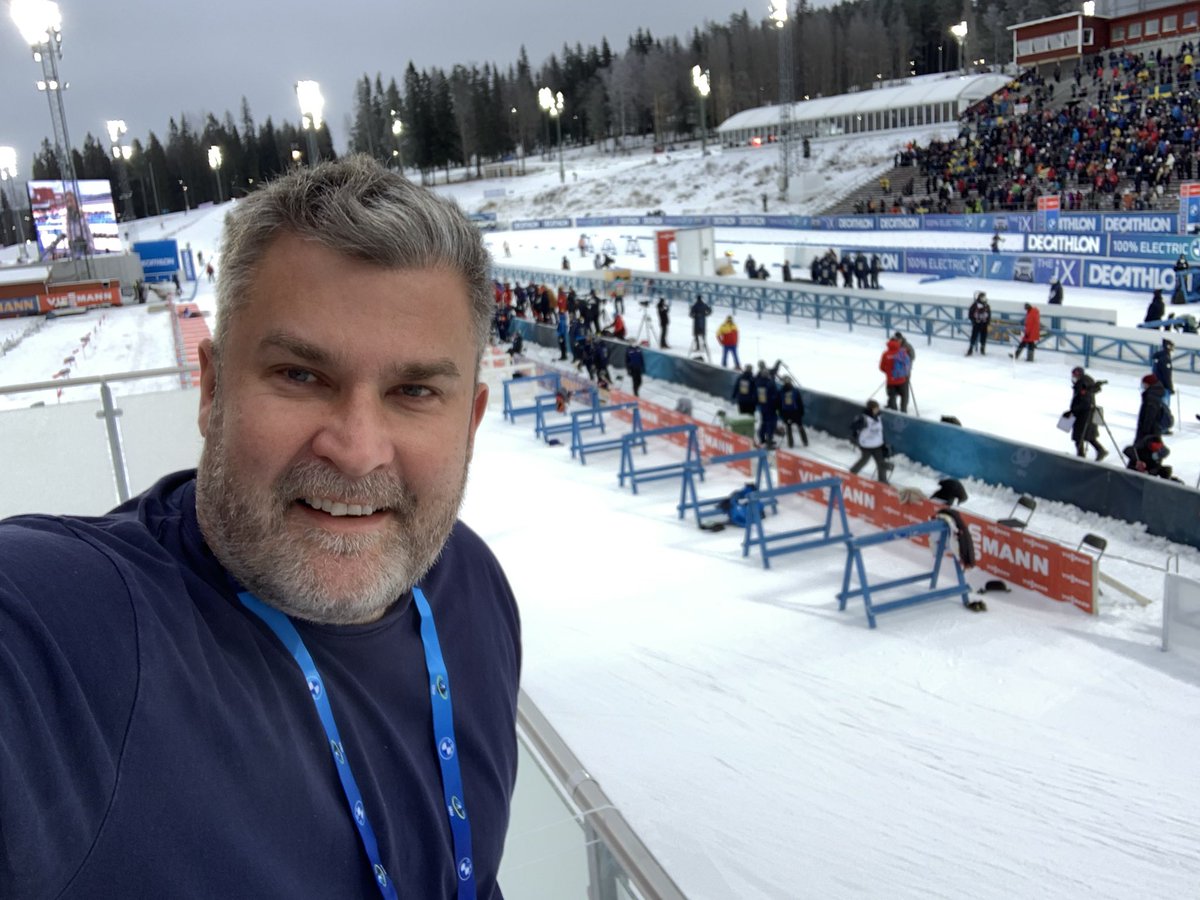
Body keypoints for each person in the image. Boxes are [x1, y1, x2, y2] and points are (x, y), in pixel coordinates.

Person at [0, 157, 521, 897]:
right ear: (213, 390)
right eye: (301, 376)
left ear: (469, 421)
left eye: (413, 390)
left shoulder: (472, 582)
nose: (357, 449)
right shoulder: (77, 631)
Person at [1066, 366, 1108, 460]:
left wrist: (1074, 410)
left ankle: (1081, 455)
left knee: (1079, 436)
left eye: (1075, 376)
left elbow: (1085, 402)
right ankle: (1099, 451)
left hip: (1083, 415)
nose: (1073, 378)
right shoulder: (1085, 383)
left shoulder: (1083, 384)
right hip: (1086, 414)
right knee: (1087, 436)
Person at [849, 399, 890, 483]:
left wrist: (883, 444)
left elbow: (880, 432)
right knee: (864, 460)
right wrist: (858, 425)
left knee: (881, 462)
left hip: (877, 444)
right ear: (871, 409)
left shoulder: (878, 417)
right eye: (876, 408)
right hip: (866, 445)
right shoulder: (864, 418)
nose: (877, 410)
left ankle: (883, 481)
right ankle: (851, 474)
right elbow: (853, 427)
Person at [879, 335, 911, 413]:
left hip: (891, 381)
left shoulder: (885, 354)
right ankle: (903, 410)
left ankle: (894, 412)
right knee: (904, 396)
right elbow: (907, 364)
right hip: (902, 380)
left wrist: (889, 372)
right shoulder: (903, 352)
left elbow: (881, 367)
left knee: (892, 397)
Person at [1135, 374, 1170, 442]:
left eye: (1144, 384)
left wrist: (1144, 432)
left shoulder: (1151, 398)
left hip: (1150, 433)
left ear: (1148, 384)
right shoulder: (1155, 394)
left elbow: (1149, 417)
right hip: (1154, 431)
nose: (1143, 386)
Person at [1151, 338, 1176, 429]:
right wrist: (1170, 387)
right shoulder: (1165, 359)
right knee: (1164, 408)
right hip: (1163, 387)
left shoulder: (1159, 357)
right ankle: (1163, 426)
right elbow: (1166, 376)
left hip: (1157, 385)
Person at [779, 375, 808, 448]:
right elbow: (799, 402)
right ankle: (805, 442)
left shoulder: (781, 391)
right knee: (800, 426)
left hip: (787, 412)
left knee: (789, 428)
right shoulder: (795, 391)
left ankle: (790, 444)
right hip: (795, 412)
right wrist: (801, 411)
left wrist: (781, 413)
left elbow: (779, 404)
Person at [966, 291, 991, 356]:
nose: (984, 299)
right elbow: (970, 314)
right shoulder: (975, 305)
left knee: (983, 337)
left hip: (984, 324)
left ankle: (982, 348)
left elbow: (989, 314)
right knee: (973, 337)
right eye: (982, 297)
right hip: (976, 324)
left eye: (984, 297)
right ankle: (970, 349)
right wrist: (974, 321)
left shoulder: (987, 306)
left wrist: (987, 322)